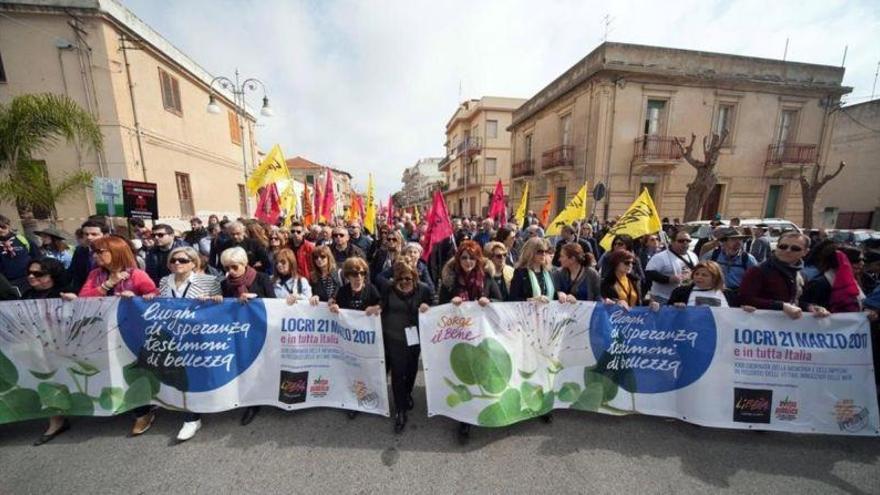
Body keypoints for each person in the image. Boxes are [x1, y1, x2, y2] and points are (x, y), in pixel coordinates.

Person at [66, 235, 159, 436]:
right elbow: (84, 300)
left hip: (131, 333)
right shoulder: (95, 275)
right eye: (94, 251)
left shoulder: (137, 275)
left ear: (116, 252)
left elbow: (155, 300)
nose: (95, 255)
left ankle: (143, 412)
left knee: (134, 370)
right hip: (102, 333)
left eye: (101, 251)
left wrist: (135, 300)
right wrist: (108, 285)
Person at [142, 247, 221, 442]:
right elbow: (161, 304)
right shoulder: (163, 281)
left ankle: (199, 410)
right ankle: (191, 418)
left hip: (198, 336)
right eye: (173, 260)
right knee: (179, 373)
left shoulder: (209, 281)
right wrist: (152, 298)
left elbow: (220, 308)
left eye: (183, 260)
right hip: (171, 335)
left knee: (197, 373)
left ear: (194, 263)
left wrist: (212, 300)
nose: (177, 263)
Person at [437, 240, 500, 443]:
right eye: (464, 257)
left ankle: (486, 407)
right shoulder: (450, 281)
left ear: (478, 258)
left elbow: (503, 301)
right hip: (459, 337)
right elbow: (439, 307)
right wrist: (450, 303)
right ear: (458, 259)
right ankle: (465, 420)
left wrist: (489, 302)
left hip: (483, 336)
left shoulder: (488, 279)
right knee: (464, 376)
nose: (468, 261)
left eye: (472, 257)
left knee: (482, 373)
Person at [218, 246, 274, 426]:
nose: (230, 272)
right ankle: (252, 403)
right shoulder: (225, 284)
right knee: (246, 366)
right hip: (239, 330)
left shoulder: (262, 278)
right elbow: (224, 309)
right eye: (227, 268)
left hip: (261, 328)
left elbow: (273, 303)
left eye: (234, 267)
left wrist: (254, 300)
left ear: (245, 264)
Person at [379, 261, 433, 433]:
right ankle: (400, 409)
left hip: (414, 338)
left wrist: (427, 307)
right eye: (400, 279)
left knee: (410, 371)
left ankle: (407, 393)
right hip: (393, 337)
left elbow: (432, 308)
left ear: (415, 278)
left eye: (408, 279)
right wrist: (376, 309)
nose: (404, 282)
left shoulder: (423, 289)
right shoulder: (388, 289)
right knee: (397, 372)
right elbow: (381, 306)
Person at [26, 258, 73, 445]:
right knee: (47, 380)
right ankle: (56, 421)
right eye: (29, 272)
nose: (31, 276)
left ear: (51, 275)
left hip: (65, 346)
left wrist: (74, 302)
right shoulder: (27, 295)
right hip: (38, 346)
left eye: (38, 274)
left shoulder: (64, 294)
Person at [739, 232, 830, 319]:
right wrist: (781, 306)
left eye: (795, 248)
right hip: (761, 327)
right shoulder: (758, 271)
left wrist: (811, 307)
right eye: (783, 247)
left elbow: (797, 302)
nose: (788, 251)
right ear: (776, 247)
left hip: (788, 328)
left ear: (805, 252)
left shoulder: (801, 274)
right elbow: (745, 299)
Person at [800, 241, 861, 313]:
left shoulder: (856, 280)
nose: (861, 263)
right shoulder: (819, 284)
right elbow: (803, 306)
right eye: (857, 260)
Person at [701, 227, 757, 304]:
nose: (738, 242)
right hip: (715, 294)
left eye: (740, 239)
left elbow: (755, 280)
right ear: (724, 242)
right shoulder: (712, 255)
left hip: (737, 297)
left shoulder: (748, 259)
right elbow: (700, 272)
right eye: (733, 239)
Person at [645, 229, 698, 304]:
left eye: (688, 241)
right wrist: (668, 279)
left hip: (684, 298)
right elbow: (649, 274)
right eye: (681, 241)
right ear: (672, 242)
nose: (685, 243)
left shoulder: (693, 255)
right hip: (663, 298)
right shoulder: (660, 257)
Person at [509, 237, 556, 302]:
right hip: (527, 311)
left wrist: (561, 295)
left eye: (546, 251)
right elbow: (513, 298)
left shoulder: (549, 272)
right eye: (540, 251)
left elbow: (554, 294)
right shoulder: (520, 272)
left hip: (548, 311)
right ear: (530, 253)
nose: (543, 254)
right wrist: (532, 300)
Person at [0, 214, 39, 292]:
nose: (0, 230)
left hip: (27, 281)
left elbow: (38, 258)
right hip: (5, 284)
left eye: (3, 227)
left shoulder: (23, 240)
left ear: (8, 226)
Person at [667, 261, 732, 307]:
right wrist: (675, 307)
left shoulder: (727, 294)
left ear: (714, 278)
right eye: (697, 274)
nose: (699, 277)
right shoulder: (680, 292)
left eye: (704, 275)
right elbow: (668, 312)